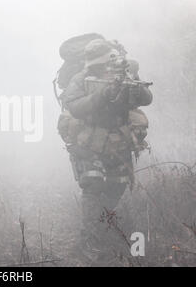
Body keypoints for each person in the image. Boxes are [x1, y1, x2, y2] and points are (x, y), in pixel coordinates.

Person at [61, 38, 152, 262]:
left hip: (118, 139)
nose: (104, 68)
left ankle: (100, 227)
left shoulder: (126, 73)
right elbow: (75, 106)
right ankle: (89, 240)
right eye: (99, 65)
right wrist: (102, 94)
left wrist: (132, 86)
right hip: (88, 139)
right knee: (93, 184)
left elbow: (147, 99)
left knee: (117, 185)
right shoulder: (80, 78)